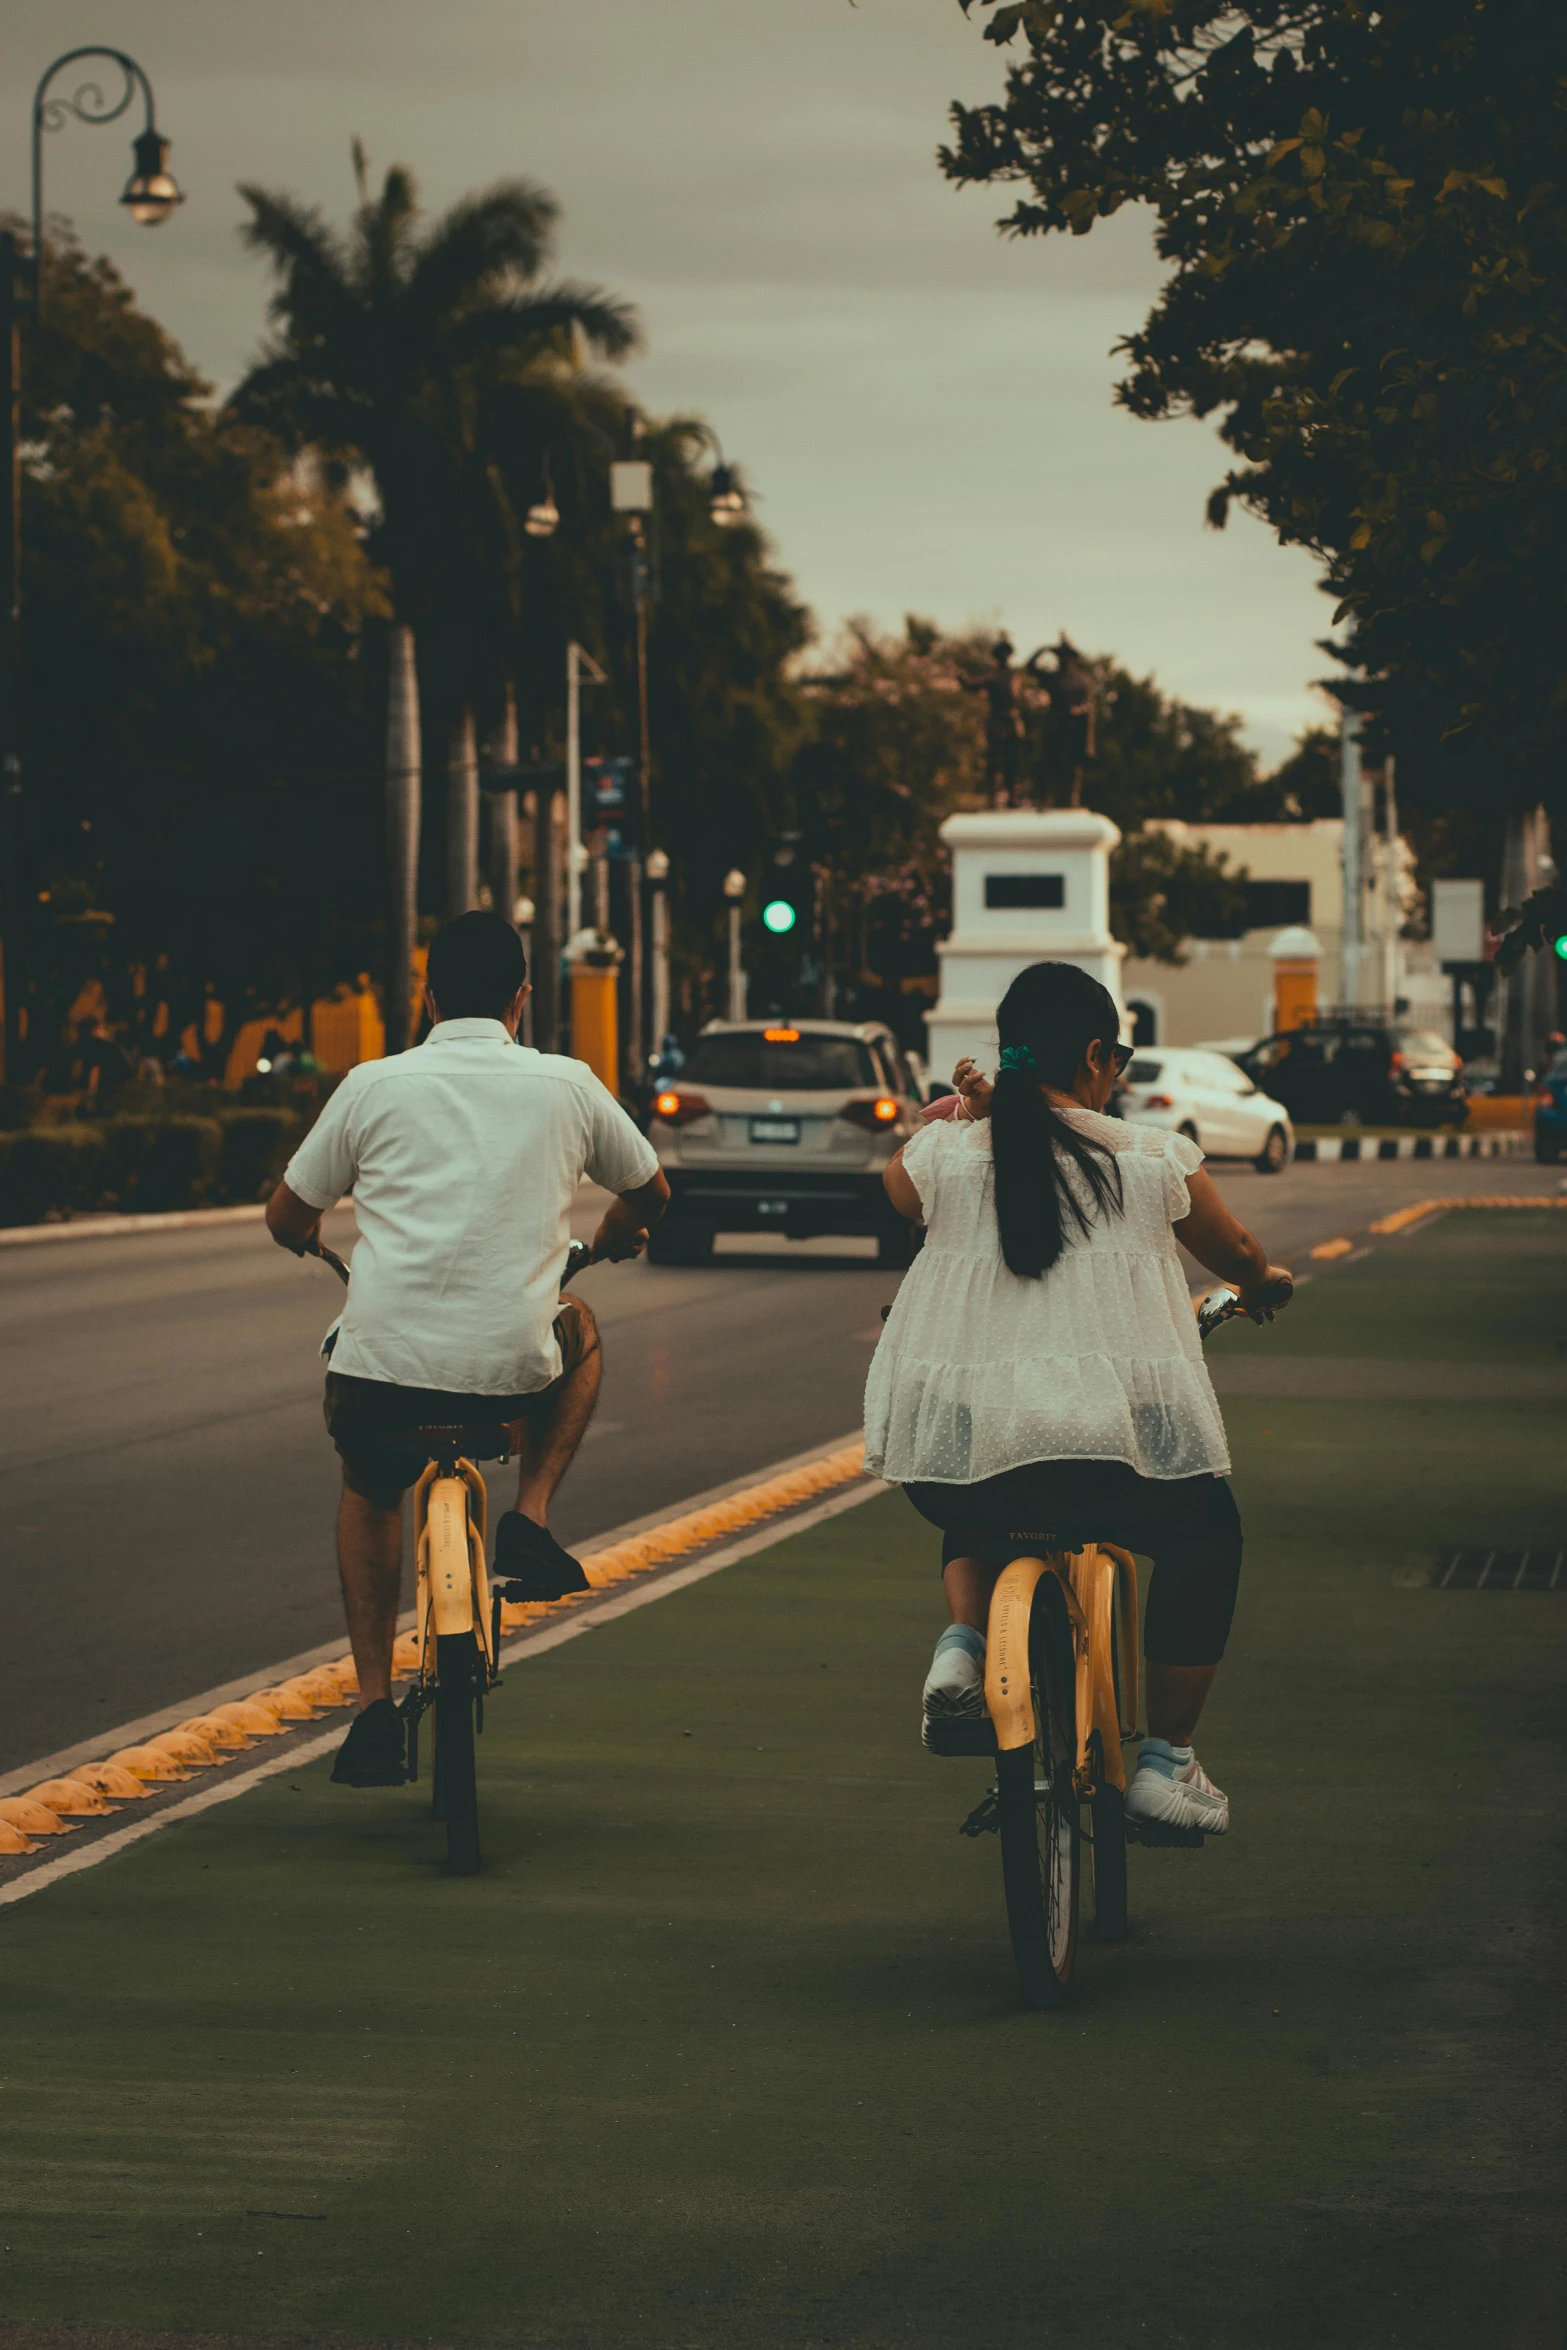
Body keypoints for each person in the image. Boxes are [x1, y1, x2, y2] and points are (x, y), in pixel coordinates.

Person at [863, 961, 1291, 1837]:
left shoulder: (945, 1153)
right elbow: (1238, 1251)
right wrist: (1263, 1281)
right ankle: (1166, 1762)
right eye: (1119, 1057)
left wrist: (963, 1116)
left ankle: (964, 1644)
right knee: (1206, 1529)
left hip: (962, 1484)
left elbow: (896, 1186)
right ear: (1097, 1056)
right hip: (1106, 1474)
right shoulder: (1149, 1159)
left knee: (979, 1458)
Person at [265, 911, 670, 1788]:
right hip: (511, 1376)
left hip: (379, 1373)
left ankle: (373, 1707)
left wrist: (311, 1241)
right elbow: (651, 1189)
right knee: (582, 1328)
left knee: (370, 1488)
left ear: (427, 996)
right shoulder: (567, 1083)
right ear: (523, 997)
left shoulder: (372, 1084)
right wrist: (615, 1234)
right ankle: (529, 1518)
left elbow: (287, 1215)